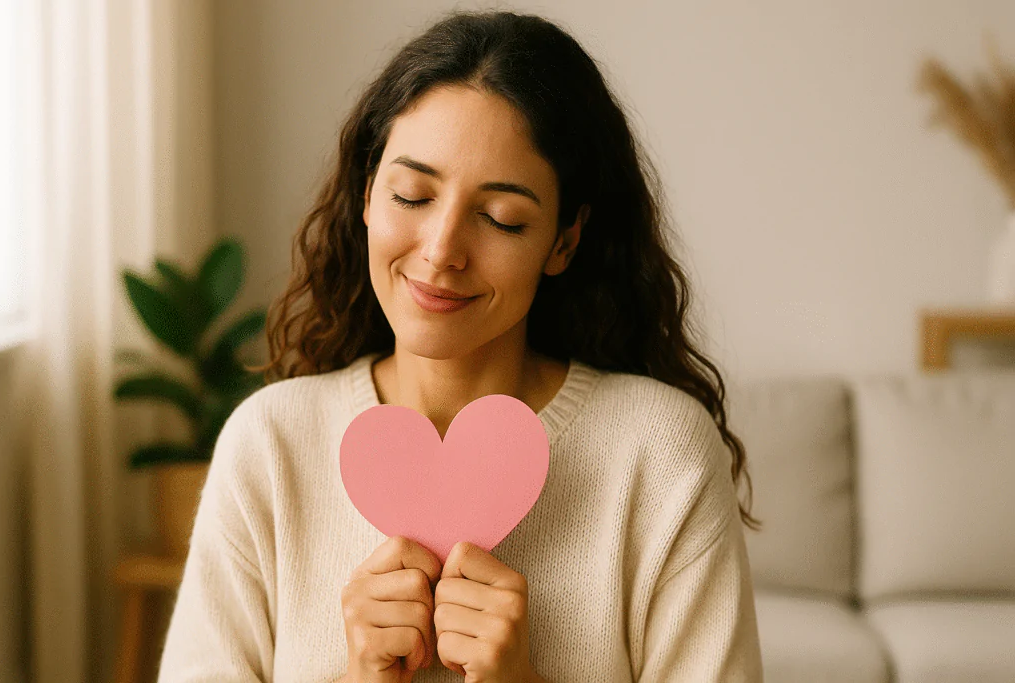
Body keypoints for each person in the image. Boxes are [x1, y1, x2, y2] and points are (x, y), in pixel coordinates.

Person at [157, 9, 763, 683]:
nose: (442, 250)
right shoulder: (269, 447)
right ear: (366, 194)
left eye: (500, 217)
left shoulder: (661, 453)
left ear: (563, 240)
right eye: (412, 194)